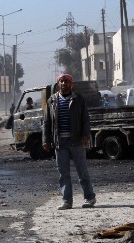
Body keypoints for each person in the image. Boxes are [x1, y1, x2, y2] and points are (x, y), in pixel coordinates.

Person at [42, 71, 96, 210]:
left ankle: (89, 198)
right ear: (58, 83)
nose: (64, 83)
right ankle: (67, 201)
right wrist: (46, 139)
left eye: (66, 81)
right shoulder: (52, 100)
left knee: (82, 171)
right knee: (63, 173)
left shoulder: (78, 99)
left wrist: (85, 136)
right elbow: (47, 122)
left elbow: (85, 119)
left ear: (71, 84)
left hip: (76, 141)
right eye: (61, 81)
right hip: (60, 142)